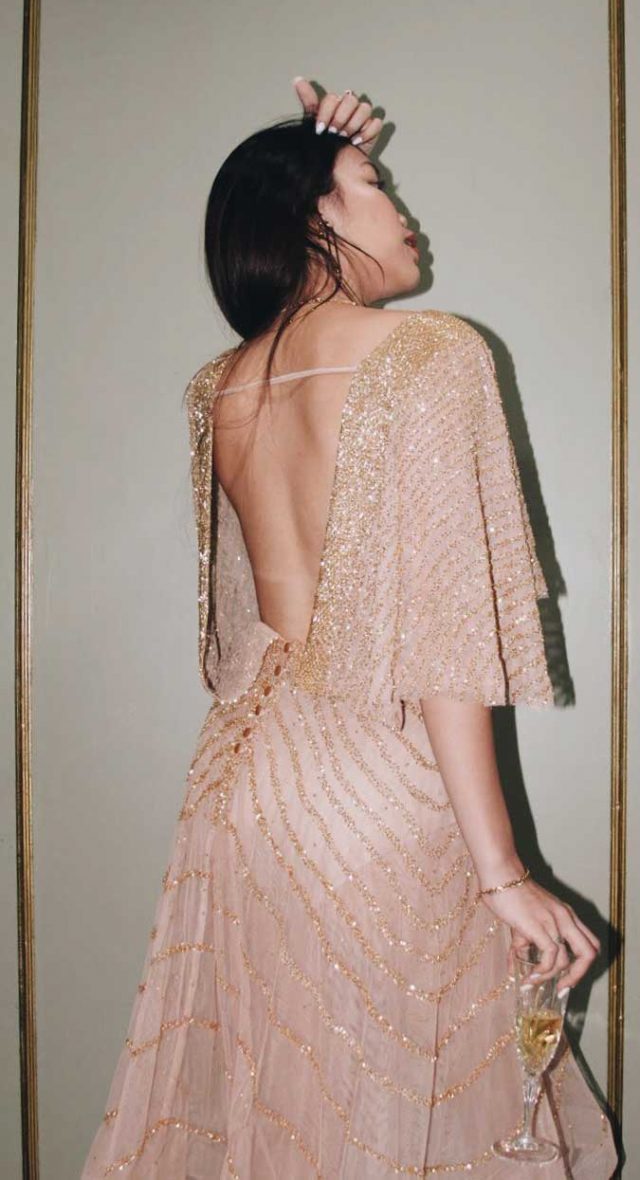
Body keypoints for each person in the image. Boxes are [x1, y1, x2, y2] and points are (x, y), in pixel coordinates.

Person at [80, 79, 619, 1178]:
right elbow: (445, 637)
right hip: (372, 788)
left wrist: (314, 150)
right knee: (388, 1115)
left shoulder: (220, 388)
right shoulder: (428, 353)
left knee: (288, 1107)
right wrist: (501, 871)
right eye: (376, 184)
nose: (404, 210)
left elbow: (245, 638)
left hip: (240, 789)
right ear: (312, 215)